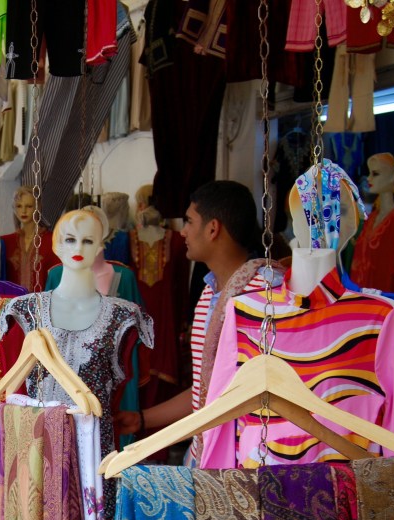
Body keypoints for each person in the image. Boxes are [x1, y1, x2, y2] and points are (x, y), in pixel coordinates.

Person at [115, 180, 276, 466]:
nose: (183, 231)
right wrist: (141, 420)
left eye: (189, 221)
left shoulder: (265, 296)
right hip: (206, 453)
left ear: (213, 229)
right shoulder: (209, 293)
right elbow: (206, 392)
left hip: (248, 461)